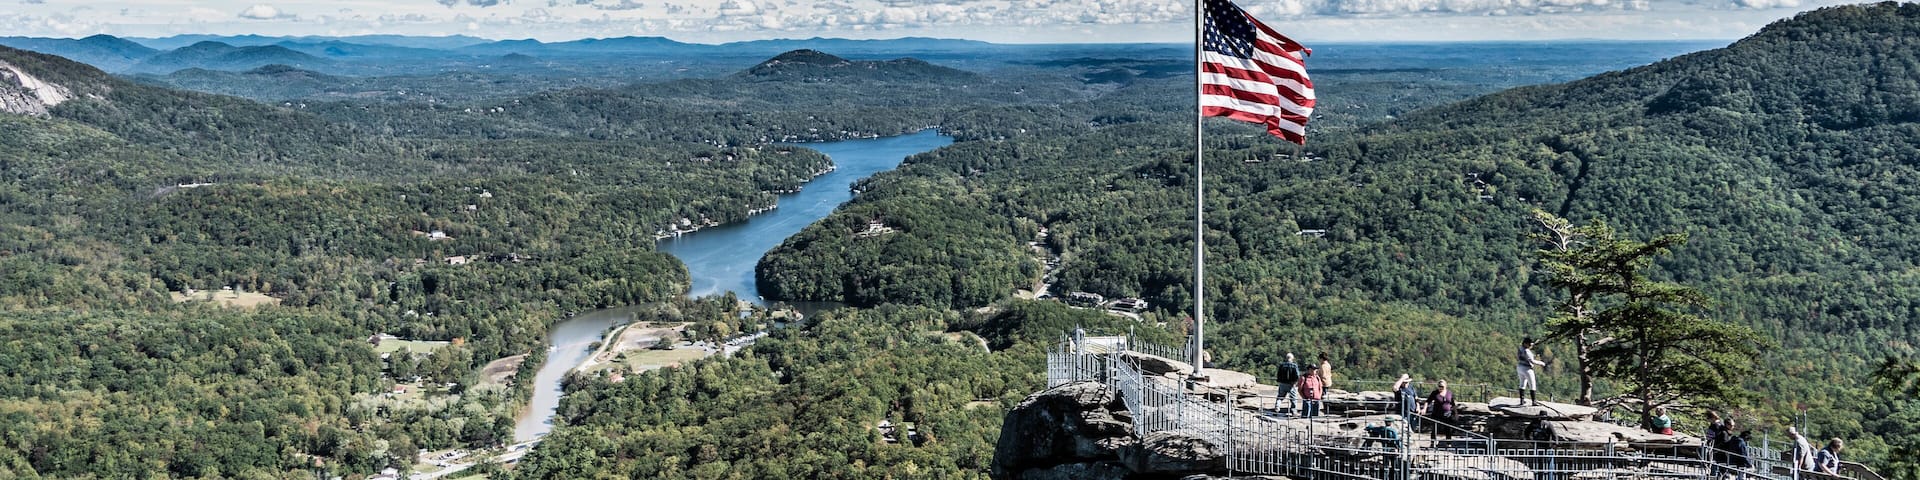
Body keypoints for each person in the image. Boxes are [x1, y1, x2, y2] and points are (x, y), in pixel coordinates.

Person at [1516, 337, 1546, 406]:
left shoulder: (1520, 348)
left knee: (1522, 383)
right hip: (1527, 369)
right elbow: (1532, 361)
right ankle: (1534, 401)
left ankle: (1522, 400)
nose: (1530, 345)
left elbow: (1529, 345)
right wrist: (1541, 363)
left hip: (1519, 367)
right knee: (1532, 385)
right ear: (1526, 344)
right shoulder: (1527, 351)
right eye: (1529, 344)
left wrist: (1535, 343)